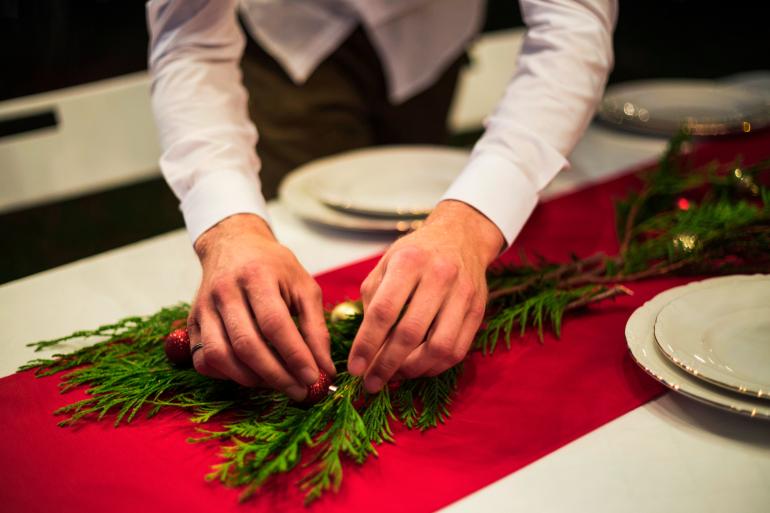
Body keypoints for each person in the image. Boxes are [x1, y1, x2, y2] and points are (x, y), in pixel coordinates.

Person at [147, 0, 617, 402]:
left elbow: (572, 23)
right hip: (291, 33)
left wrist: (472, 223)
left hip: (432, 32)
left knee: (423, 222)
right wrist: (229, 228)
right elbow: (190, 40)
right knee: (308, 234)